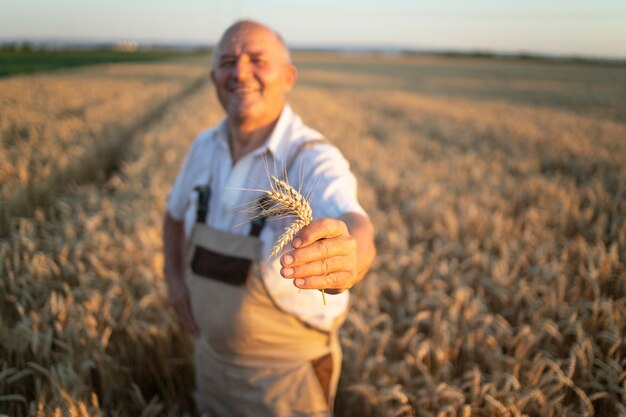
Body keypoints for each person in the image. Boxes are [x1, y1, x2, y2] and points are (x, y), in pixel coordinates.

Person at [163, 19, 376, 416]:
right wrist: (174, 278)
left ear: (288, 77)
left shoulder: (311, 157)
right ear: (214, 77)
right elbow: (174, 216)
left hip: (286, 381)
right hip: (208, 362)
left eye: (257, 60)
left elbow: (356, 225)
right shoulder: (203, 147)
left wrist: (349, 256)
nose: (240, 72)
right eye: (228, 61)